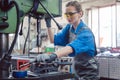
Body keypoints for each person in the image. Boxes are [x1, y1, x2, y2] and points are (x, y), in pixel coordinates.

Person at [36, 1, 99, 80]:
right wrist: (48, 24)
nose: (68, 17)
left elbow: (71, 47)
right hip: (76, 71)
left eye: (71, 14)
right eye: (66, 14)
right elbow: (53, 40)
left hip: (89, 74)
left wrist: (52, 55)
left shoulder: (86, 33)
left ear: (80, 14)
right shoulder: (69, 28)